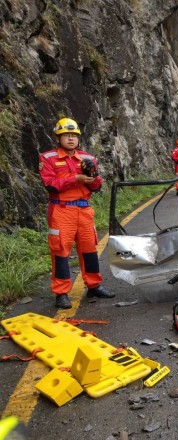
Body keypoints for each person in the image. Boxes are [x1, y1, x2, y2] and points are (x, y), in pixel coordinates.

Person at [39, 117, 115, 309]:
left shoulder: (88, 158)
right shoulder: (48, 158)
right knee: (60, 252)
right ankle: (61, 292)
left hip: (84, 209)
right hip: (61, 210)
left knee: (89, 249)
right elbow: (50, 185)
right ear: (58, 138)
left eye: (74, 135)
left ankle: (94, 285)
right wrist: (76, 178)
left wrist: (93, 176)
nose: (71, 139)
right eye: (66, 135)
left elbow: (97, 187)